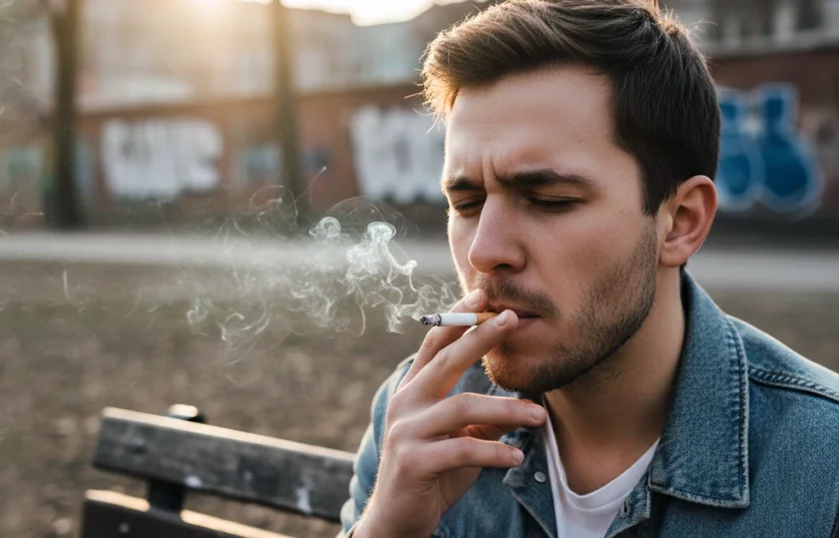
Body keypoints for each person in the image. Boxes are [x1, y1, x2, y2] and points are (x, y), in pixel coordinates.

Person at [337, 1, 839, 537]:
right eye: (467, 204)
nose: (485, 252)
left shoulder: (821, 468)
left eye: (550, 199)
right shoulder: (417, 415)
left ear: (680, 223)